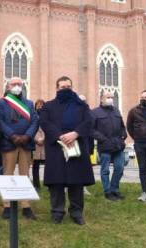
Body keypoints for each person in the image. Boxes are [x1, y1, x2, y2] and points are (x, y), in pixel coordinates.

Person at [39, 76, 95, 225]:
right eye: (63, 87)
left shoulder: (81, 106)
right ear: (57, 88)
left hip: (76, 147)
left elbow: (88, 121)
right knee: (56, 183)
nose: (66, 89)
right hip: (56, 147)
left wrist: (75, 133)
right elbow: (44, 122)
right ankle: (57, 212)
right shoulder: (48, 106)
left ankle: (76, 212)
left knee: (76, 182)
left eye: (68, 87)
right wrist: (60, 136)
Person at [0, 77, 39, 220]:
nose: (17, 86)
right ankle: (7, 206)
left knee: (25, 175)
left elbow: (34, 121)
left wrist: (27, 136)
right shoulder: (1, 103)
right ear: (8, 86)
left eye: (19, 84)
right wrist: (12, 136)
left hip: (25, 144)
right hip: (9, 143)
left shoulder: (29, 103)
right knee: (7, 174)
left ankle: (26, 206)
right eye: (14, 84)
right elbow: (0, 122)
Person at [92, 91, 127, 201]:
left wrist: (123, 135)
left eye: (112, 97)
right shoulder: (95, 112)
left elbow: (122, 126)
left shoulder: (116, 110)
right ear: (101, 99)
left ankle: (114, 189)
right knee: (105, 170)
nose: (111, 99)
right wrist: (102, 139)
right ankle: (107, 191)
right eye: (108, 97)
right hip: (105, 146)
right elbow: (91, 129)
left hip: (118, 146)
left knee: (119, 168)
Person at [32, 99, 45, 191]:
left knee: (49, 166)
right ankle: (36, 185)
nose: (40, 107)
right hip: (35, 144)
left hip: (45, 144)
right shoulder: (32, 116)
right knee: (35, 166)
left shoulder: (47, 116)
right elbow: (30, 129)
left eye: (42, 105)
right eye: (38, 105)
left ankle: (49, 184)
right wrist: (36, 139)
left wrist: (44, 139)